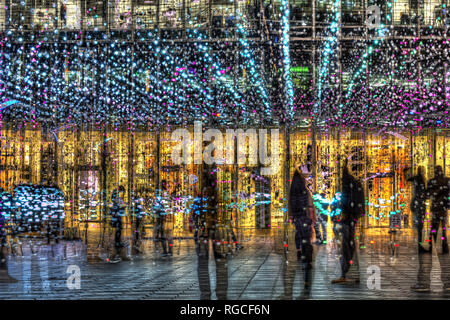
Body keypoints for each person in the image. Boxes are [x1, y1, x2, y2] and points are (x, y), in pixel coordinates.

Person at [412, 166, 450, 292]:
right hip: (443, 209)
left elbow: (428, 194)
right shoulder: (446, 181)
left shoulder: (433, 181)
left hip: (436, 208)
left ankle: (430, 245)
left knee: (434, 228)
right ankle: (444, 246)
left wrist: (426, 195)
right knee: (443, 228)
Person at [332, 163, 364, 284]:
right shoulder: (357, 184)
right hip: (353, 219)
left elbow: (345, 200)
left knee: (345, 247)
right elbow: (360, 200)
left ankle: (344, 274)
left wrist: (344, 214)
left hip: (347, 220)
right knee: (350, 246)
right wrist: (358, 215)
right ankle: (354, 273)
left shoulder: (347, 183)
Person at [288, 167, 316, 291]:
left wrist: (292, 216)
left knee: (299, 233)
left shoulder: (292, 191)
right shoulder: (305, 191)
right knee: (307, 237)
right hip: (305, 217)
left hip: (297, 218)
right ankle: (307, 257)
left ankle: (299, 250)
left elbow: (291, 205)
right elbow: (310, 204)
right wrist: (312, 217)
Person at [405, 166, 427, 253]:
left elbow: (408, 179)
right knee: (420, 228)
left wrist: (406, 172)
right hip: (419, 207)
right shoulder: (420, 179)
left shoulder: (416, 179)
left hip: (418, 207)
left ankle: (420, 246)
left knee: (419, 228)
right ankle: (420, 247)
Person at [111, 186, 126, 262]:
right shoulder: (117, 198)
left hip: (117, 216)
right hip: (117, 216)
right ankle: (117, 242)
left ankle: (118, 241)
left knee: (119, 229)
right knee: (118, 229)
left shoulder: (118, 198)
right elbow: (120, 206)